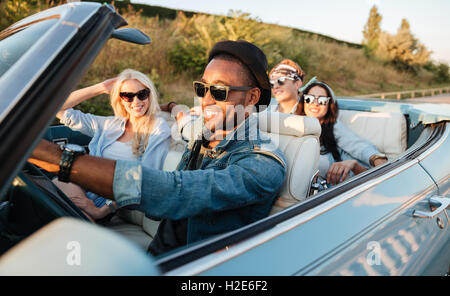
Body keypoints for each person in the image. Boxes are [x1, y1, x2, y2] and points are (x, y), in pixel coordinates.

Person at [30, 40, 287, 256]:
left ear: (252, 97)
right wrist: (172, 108)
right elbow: (185, 123)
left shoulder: (262, 162)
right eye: (202, 88)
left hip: (197, 266)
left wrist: (58, 159)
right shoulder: (204, 134)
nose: (205, 99)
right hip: (160, 255)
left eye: (219, 90)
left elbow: (177, 192)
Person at [53, 69, 171, 221]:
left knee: (67, 219)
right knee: (49, 192)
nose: (136, 102)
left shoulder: (157, 127)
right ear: (120, 99)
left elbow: (147, 177)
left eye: (142, 94)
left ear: (150, 95)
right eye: (127, 96)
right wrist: (100, 88)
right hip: (84, 184)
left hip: (105, 199)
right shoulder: (110, 124)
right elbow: (58, 108)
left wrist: (104, 209)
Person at [297, 77, 387, 186]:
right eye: (309, 99)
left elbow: (356, 144)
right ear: (303, 102)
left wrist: (376, 158)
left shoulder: (334, 129)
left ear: (329, 106)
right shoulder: (292, 124)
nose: (315, 103)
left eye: (322, 100)